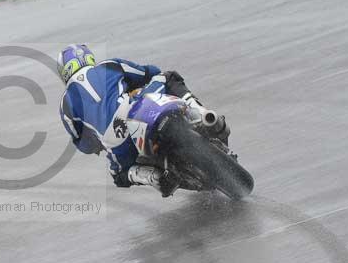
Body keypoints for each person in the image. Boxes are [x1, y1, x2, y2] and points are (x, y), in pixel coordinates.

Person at [57, 44, 228, 197]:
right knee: (168, 77)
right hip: (133, 111)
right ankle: (203, 115)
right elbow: (149, 72)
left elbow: (82, 144)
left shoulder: (65, 105)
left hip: (114, 140)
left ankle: (151, 177)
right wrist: (135, 88)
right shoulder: (109, 65)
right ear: (89, 58)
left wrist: (97, 143)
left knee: (119, 176)